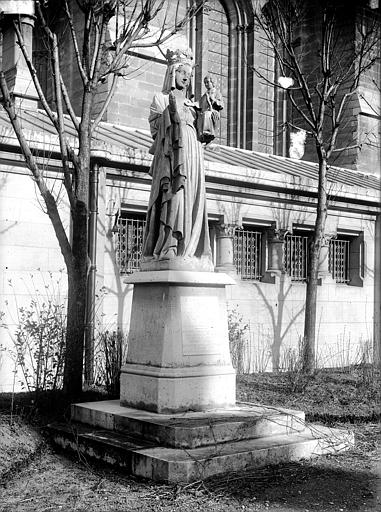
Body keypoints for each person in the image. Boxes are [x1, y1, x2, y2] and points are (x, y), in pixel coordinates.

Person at [141, 49, 213, 270]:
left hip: (193, 156)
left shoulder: (193, 104)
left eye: (189, 75)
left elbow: (204, 132)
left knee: (192, 199)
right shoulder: (161, 98)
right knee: (175, 198)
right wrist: (171, 110)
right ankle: (169, 245)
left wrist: (209, 108)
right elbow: (156, 131)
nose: (186, 78)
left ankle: (190, 247)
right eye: (182, 72)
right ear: (172, 72)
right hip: (172, 157)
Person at [198, 74, 224, 144]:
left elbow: (221, 104)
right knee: (199, 116)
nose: (206, 84)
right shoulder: (204, 95)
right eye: (205, 83)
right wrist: (190, 103)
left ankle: (208, 132)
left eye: (208, 82)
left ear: (212, 82)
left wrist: (214, 100)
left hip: (213, 113)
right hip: (204, 114)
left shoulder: (217, 93)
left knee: (207, 114)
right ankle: (201, 136)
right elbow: (199, 104)